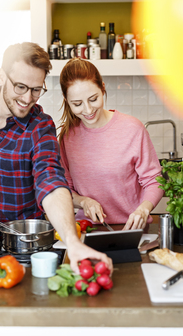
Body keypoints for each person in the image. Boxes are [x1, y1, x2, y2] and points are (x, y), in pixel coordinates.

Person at [0, 43, 112, 273]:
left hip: (27, 249)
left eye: (36, 89)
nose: (28, 98)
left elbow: (51, 181)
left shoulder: (40, 126)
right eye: (21, 87)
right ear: (2, 77)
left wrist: (72, 242)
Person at [58, 57, 164, 230]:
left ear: (103, 88)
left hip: (132, 229)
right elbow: (65, 189)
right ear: (67, 100)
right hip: (87, 229)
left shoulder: (132, 128)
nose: (88, 110)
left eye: (93, 99)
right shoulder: (67, 136)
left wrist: (144, 209)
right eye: (77, 104)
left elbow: (154, 180)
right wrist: (83, 201)